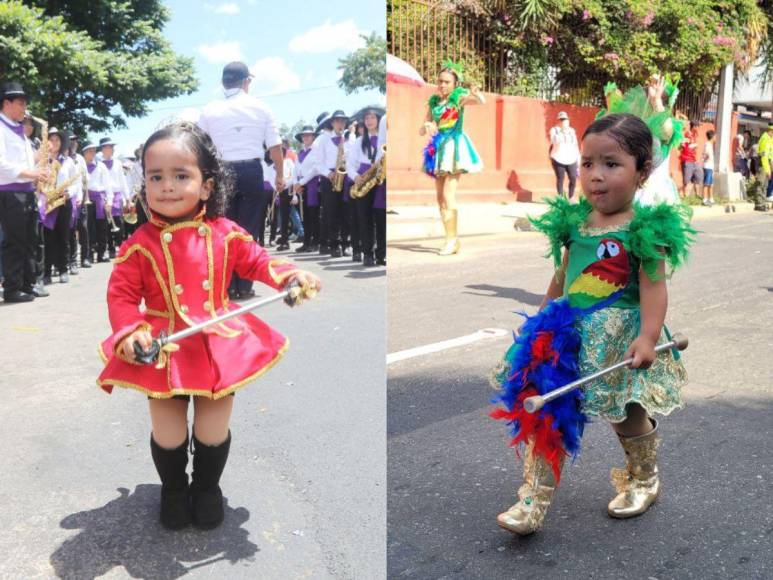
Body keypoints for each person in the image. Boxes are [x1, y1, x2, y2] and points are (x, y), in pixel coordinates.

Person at [96, 122, 321, 531]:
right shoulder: (137, 246)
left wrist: (290, 277)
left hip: (219, 340)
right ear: (144, 183)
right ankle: (174, 489)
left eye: (181, 176)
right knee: (167, 431)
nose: (167, 186)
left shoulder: (225, 232)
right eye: (156, 177)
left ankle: (206, 488)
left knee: (212, 428)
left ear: (206, 185)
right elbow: (122, 296)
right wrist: (130, 332)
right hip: (162, 347)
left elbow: (258, 261)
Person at [491, 114, 695, 535]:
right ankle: (533, 498)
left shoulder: (644, 228)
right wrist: (540, 322)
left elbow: (654, 288)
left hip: (620, 338)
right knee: (549, 407)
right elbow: (564, 276)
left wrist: (648, 337)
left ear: (641, 173)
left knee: (625, 415)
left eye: (611, 164)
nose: (595, 176)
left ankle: (644, 477)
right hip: (568, 335)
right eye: (587, 164)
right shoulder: (576, 223)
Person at [198, 61, 284, 300]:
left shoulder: (210, 109)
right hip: (251, 171)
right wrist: (279, 174)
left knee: (222, 229)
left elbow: (198, 143)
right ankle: (244, 285)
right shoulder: (261, 107)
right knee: (248, 230)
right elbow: (275, 146)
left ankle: (225, 285)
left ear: (224, 82)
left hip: (222, 171)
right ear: (246, 82)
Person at [420, 60, 484, 256]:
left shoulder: (459, 98)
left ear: (455, 84)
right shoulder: (433, 102)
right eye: (440, 81)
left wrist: (475, 92)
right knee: (440, 198)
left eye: (447, 82)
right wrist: (427, 127)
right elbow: (423, 127)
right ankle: (450, 238)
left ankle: (451, 240)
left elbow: (481, 101)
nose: (442, 85)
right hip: (438, 150)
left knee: (449, 195)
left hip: (454, 148)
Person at [0, 82, 48, 303]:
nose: (24, 108)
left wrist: (41, 160)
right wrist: (31, 173)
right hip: (11, 194)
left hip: (27, 192)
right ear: (7, 103)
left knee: (31, 240)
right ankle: (12, 289)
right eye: (20, 103)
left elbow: (27, 161)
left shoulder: (20, 133)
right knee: (16, 241)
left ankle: (28, 284)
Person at [348, 106, 386, 267]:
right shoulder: (358, 141)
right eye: (367, 118)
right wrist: (356, 177)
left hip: (380, 179)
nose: (369, 121)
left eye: (372, 118)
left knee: (381, 218)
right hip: (364, 179)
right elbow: (350, 164)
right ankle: (368, 253)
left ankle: (381, 254)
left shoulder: (385, 139)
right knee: (365, 219)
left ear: (379, 120)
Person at [41, 127, 77, 285]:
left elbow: (76, 182)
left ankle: (63, 269)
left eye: (57, 140)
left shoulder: (68, 162)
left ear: (62, 143)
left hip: (63, 202)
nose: (54, 143)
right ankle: (47, 272)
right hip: (48, 203)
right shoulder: (43, 161)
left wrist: (69, 192)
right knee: (48, 238)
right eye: (51, 140)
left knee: (63, 237)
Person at [313, 109, 350, 257]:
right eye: (337, 121)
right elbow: (318, 162)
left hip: (346, 176)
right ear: (332, 123)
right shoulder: (323, 139)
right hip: (330, 178)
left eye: (342, 121)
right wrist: (329, 173)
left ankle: (346, 243)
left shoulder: (350, 138)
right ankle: (333, 244)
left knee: (346, 212)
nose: (340, 123)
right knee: (331, 212)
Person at [99, 136, 129, 257]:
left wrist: (127, 198)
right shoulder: (99, 163)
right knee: (106, 223)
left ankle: (120, 245)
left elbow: (123, 181)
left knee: (119, 222)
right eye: (109, 147)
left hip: (117, 195)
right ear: (103, 149)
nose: (112, 149)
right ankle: (110, 247)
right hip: (104, 195)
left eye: (112, 147)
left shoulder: (117, 163)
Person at [292, 124, 319, 252]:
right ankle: (306, 242)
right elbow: (295, 170)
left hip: (313, 184)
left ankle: (315, 242)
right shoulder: (300, 153)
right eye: (304, 135)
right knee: (305, 216)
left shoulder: (317, 151)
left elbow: (315, 169)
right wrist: (296, 184)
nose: (306, 137)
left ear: (313, 137)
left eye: (309, 135)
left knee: (313, 215)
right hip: (301, 187)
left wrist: (301, 182)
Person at [548, 111, 580, 199]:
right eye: (561, 119)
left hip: (571, 158)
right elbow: (555, 142)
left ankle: (571, 197)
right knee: (560, 178)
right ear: (558, 120)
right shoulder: (554, 130)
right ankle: (561, 198)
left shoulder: (572, 131)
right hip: (558, 157)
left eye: (565, 119)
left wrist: (578, 158)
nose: (563, 121)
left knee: (573, 177)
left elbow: (575, 145)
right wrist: (562, 131)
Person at [679, 121, 702, 198]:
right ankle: (684, 196)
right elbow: (686, 146)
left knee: (697, 178)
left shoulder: (695, 135)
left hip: (694, 161)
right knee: (686, 180)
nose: (699, 128)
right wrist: (694, 145)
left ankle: (697, 195)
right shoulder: (687, 134)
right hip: (687, 160)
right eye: (698, 126)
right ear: (694, 126)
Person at [757, 124, 773, 200]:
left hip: (767, 164)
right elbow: (764, 156)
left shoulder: (769, 139)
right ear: (771, 131)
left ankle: (762, 202)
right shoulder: (765, 139)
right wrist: (767, 170)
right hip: (764, 164)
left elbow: (770, 154)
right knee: (761, 184)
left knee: (765, 185)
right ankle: (759, 203)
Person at [702, 130, 716, 206]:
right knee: (706, 183)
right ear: (712, 136)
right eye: (715, 136)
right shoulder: (707, 144)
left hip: (710, 167)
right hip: (707, 166)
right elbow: (705, 154)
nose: (715, 138)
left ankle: (711, 199)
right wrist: (706, 159)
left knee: (710, 184)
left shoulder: (709, 144)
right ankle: (705, 199)